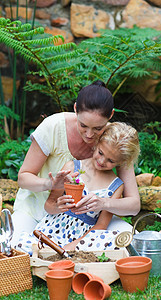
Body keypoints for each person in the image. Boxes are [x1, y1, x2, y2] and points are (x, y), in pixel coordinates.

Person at [11, 80, 140, 247]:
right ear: (75, 109)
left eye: (97, 129)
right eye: (83, 125)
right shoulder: (53, 126)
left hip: (87, 223)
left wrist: (103, 203)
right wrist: (50, 183)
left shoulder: (113, 139)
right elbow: (23, 178)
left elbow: (134, 204)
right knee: (10, 245)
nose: (89, 134)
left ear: (110, 116)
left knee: (131, 240)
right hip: (37, 210)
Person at [17, 122, 140, 254]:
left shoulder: (116, 186)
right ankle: (49, 253)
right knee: (24, 245)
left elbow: (101, 226)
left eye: (111, 161)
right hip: (55, 229)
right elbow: (49, 205)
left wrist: (74, 245)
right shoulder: (72, 168)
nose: (102, 161)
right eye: (100, 153)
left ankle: (64, 255)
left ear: (121, 162)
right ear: (97, 143)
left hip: (86, 237)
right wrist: (58, 207)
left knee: (115, 240)